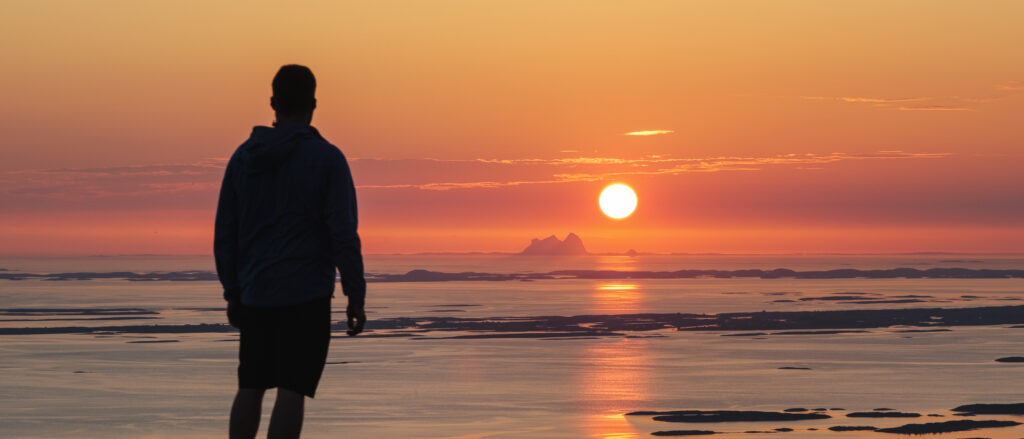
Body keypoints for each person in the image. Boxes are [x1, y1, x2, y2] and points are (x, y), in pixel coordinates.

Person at [214, 64, 367, 439]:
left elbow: (225, 233)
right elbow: (343, 234)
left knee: (250, 385)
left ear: (273, 102)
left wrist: (233, 290)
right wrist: (355, 295)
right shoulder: (328, 159)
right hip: (306, 296)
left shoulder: (244, 158)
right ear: (313, 103)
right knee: (292, 389)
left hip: (256, 292)